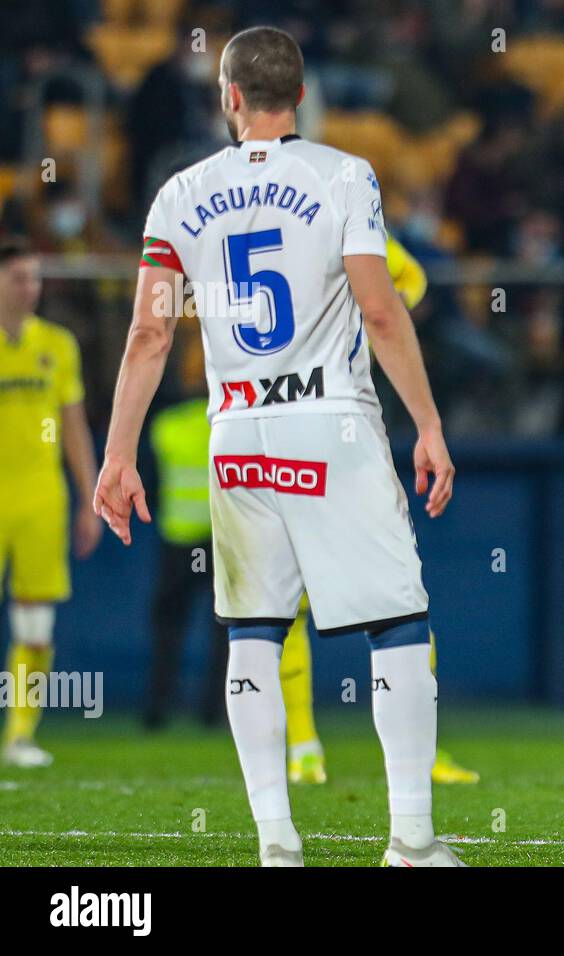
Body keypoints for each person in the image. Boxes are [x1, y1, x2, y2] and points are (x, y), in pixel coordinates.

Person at [93, 26, 461, 867]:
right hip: (330, 422)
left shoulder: (178, 193)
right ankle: (410, 839)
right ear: (300, 94)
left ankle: (276, 842)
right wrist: (429, 424)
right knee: (398, 623)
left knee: (252, 632)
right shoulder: (344, 175)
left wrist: (117, 456)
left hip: (236, 433)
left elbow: (150, 335)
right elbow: (380, 309)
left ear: (227, 96)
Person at [282, 234, 478, 787]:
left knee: (283, 605)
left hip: (267, 432)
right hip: (335, 430)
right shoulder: (348, 221)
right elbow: (408, 286)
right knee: (395, 598)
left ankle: (305, 749)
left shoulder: (254, 219)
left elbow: (410, 282)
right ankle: (334, 748)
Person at [0, 236, 100, 766]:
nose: (30, 287)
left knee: (35, 623)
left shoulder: (58, 345)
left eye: (35, 277)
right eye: (19, 277)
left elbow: (73, 427)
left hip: (41, 497)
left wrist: (89, 498)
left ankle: (20, 734)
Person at [144, 391, 226, 728]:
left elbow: (149, 483)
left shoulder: (165, 427)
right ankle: (215, 708)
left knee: (168, 626)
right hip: (218, 539)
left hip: (177, 540)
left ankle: (158, 706)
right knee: (224, 626)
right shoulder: (224, 422)